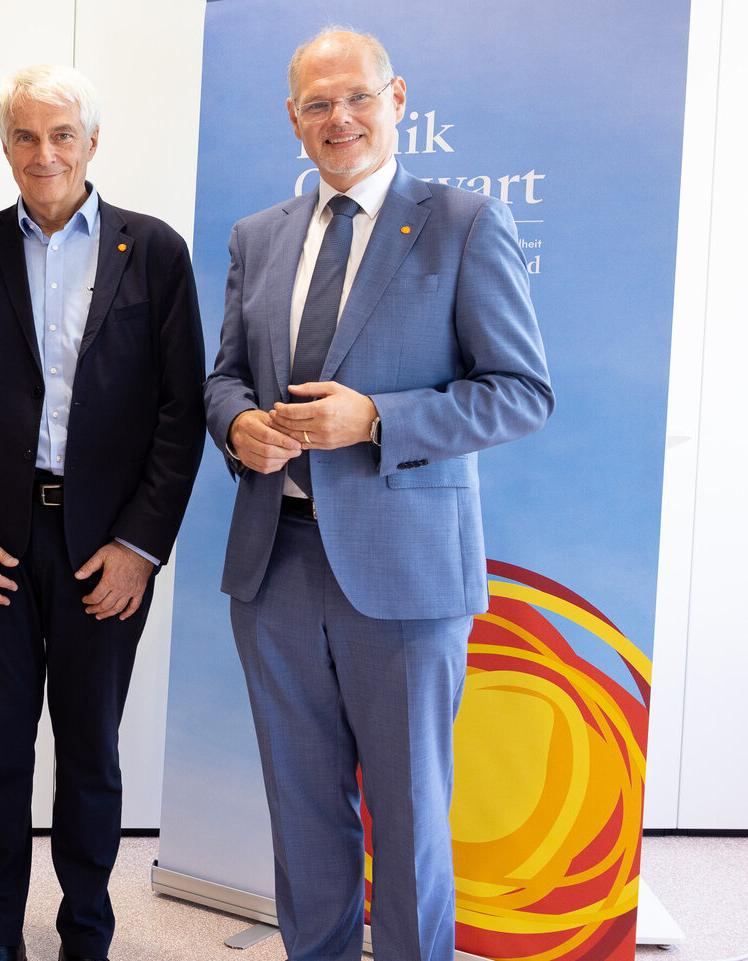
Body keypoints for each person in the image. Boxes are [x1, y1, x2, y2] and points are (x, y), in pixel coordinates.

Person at [203, 28, 552, 961]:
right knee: (303, 811)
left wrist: (379, 420)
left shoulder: (463, 222)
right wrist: (237, 426)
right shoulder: (258, 236)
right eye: (317, 104)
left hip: (404, 575)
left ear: (398, 100)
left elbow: (521, 391)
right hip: (274, 565)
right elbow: (225, 377)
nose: (339, 118)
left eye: (356, 97)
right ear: (293, 118)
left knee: (408, 819)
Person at [0, 64, 205, 961]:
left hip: (105, 547)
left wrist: (141, 546)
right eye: (26, 136)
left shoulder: (152, 250)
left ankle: (88, 933)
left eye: (62, 134)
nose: (45, 153)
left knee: (90, 751)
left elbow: (179, 412)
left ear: (92, 142)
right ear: (5, 146)